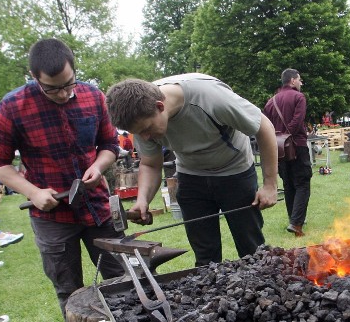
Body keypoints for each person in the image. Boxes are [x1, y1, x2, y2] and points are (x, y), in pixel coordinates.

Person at [0, 38, 125, 316]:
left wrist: (98, 167)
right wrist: (33, 192)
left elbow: (110, 145)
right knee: (69, 290)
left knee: (120, 280)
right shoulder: (12, 107)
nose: (62, 93)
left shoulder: (93, 96)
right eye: (52, 88)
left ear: (74, 70)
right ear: (34, 77)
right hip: (52, 218)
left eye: (68, 83)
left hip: (97, 208)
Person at [105, 73, 279, 267]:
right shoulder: (139, 116)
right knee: (205, 256)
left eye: (146, 129)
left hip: (235, 171)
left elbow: (264, 127)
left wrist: (270, 185)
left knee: (251, 247)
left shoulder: (211, 98)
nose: (145, 138)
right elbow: (150, 163)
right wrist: (142, 200)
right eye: (139, 133)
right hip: (191, 176)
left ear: (160, 107)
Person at [263, 68, 310, 237]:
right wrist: (287, 136)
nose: (301, 83)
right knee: (302, 183)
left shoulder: (270, 102)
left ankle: (293, 219)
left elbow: (265, 126)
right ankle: (296, 223)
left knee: (289, 184)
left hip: (279, 149)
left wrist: (279, 140)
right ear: (292, 81)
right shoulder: (299, 97)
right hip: (297, 145)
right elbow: (297, 121)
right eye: (299, 80)